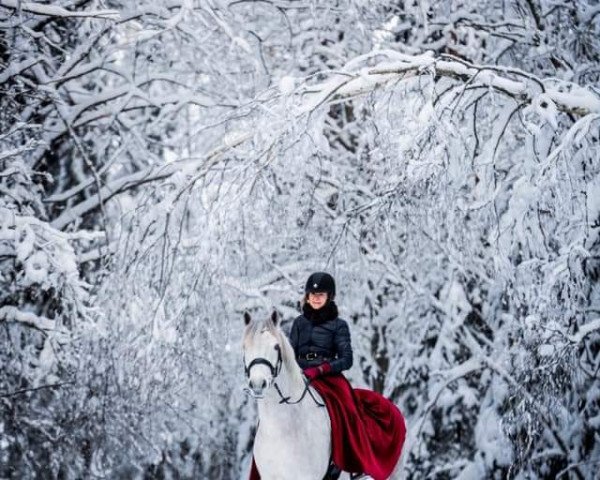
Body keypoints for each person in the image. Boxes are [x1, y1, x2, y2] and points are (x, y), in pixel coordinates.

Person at [287, 272, 406, 480]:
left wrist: (322, 369)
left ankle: (348, 460)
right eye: (312, 293)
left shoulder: (339, 325)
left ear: (329, 296)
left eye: (321, 294)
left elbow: (346, 359)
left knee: (346, 410)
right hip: (301, 376)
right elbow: (290, 354)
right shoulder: (298, 323)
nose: (316, 297)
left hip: (329, 378)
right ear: (307, 296)